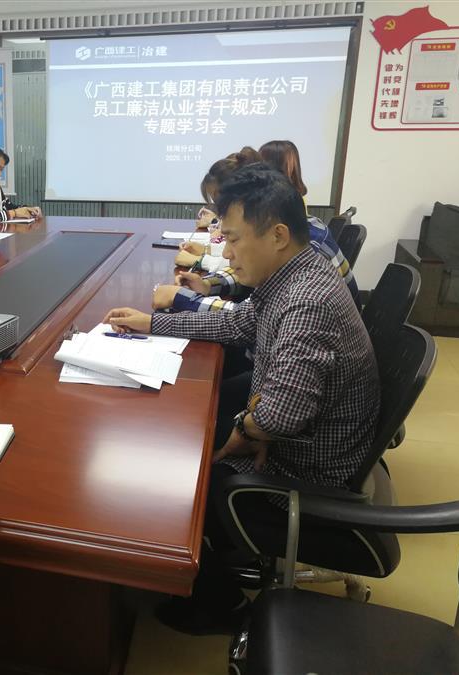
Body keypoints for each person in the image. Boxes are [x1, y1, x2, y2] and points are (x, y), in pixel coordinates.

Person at [105, 164, 380, 633]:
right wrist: (153, 324)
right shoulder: (295, 272)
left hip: (307, 468)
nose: (226, 252)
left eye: (233, 239)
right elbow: (237, 323)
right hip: (307, 435)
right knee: (187, 420)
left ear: (277, 235)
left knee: (182, 473)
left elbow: (280, 416)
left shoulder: (306, 301)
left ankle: (221, 603)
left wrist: (244, 428)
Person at [153, 142, 359, 314]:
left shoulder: (307, 268)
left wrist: (187, 293)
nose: (220, 213)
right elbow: (252, 303)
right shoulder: (295, 231)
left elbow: (249, 318)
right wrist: (207, 285)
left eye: (223, 203)